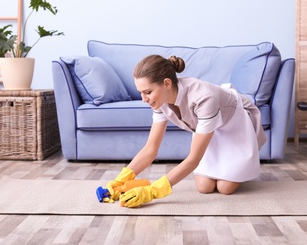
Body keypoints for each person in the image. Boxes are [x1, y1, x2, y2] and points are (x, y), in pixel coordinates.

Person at [106, 55, 266, 208]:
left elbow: (194, 159)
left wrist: (154, 191)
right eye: (140, 92)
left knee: (225, 188)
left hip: (233, 125)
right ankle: (227, 168)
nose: (143, 99)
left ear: (167, 84)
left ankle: (239, 168)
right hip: (210, 128)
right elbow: (151, 149)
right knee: (205, 187)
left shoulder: (204, 99)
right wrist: (122, 178)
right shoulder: (159, 100)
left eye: (148, 92)